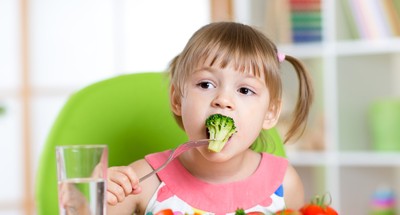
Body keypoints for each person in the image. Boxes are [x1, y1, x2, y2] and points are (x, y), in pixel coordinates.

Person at [106, 22, 313, 215]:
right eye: (206, 85)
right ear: (177, 99)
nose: (223, 100)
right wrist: (98, 198)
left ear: (270, 113)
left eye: (244, 90)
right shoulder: (144, 179)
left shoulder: (285, 183)